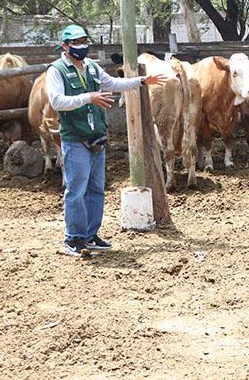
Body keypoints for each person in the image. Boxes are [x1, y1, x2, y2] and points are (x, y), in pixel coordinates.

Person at [47, 25, 168, 257]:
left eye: (84, 40)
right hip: (75, 138)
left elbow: (113, 84)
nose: (82, 45)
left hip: (97, 136)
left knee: (96, 190)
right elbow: (57, 101)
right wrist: (89, 97)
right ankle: (73, 239)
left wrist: (142, 81)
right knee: (76, 190)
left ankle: (91, 235)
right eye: (76, 42)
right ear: (65, 45)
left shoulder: (92, 66)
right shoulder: (57, 70)